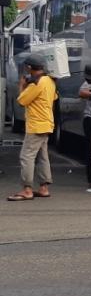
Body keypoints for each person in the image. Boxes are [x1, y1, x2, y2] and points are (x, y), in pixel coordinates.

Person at [7, 54, 58, 201]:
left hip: (36, 125)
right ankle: (43, 188)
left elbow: (22, 100)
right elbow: (54, 98)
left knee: (26, 157)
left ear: (29, 68)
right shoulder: (49, 81)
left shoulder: (36, 84)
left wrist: (22, 85)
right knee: (42, 157)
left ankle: (27, 189)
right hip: (47, 123)